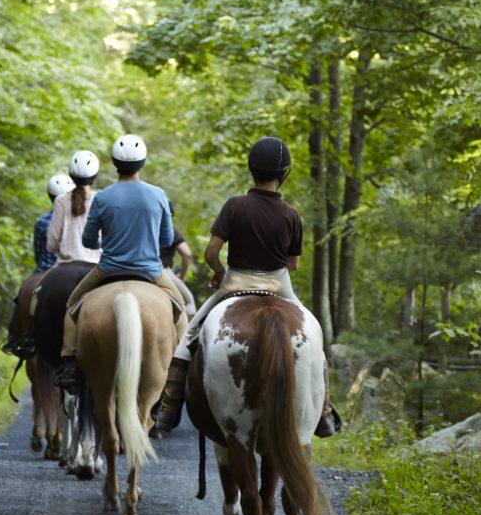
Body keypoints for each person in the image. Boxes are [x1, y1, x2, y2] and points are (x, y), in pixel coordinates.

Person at [152, 136, 340, 437]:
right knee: (313, 337)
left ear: (252, 170)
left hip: (235, 282)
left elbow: (210, 252)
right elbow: (294, 265)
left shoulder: (234, 205)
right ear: (284, 173)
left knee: (190, 333)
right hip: (280, 285)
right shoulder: (292, 214)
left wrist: (219, 271)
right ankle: (325, 412)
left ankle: (169, 406)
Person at [52, 134, 188, 392]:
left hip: (107, 270)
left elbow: (89, 241)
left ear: (115, 163)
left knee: (72, 305)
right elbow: (167, 238)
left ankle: (69, 359)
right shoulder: (157, 194)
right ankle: (180, 367)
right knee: (180, 309)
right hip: (151, 271)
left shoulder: (102, 198)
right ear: (142, 163)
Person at [2, 173, 75, 356]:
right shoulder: (75, 219)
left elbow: (38, 252)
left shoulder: (41, 221)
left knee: (21, 297)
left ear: (50, 197)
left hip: (45, 269)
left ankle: (13, 337)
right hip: (70, 267)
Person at [160, 201, 196, 319]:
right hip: (163, 272)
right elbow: (187, 255)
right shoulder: (171, 231)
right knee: (189, 301)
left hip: (137, 268)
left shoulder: (144, 228)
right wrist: (181, 276)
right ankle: (188, 336)